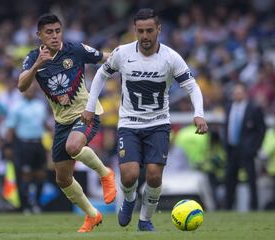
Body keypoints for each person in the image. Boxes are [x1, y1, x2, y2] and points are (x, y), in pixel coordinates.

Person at [81, 8, 208, 231]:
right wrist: (90, 106)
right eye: (141, 31)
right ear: (134, 30)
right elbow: (101, 74)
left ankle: (145, 220)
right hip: (129, 123)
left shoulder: (170, 57)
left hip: (158, 124)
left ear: (158, 29)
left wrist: (199, 113)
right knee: (129, 176)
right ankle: (129, 201)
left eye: (150, 30)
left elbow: (191, 86)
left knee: (154, 175)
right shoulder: (122, 53)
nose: (145, 36)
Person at [18, 14, 116, 232]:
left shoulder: (75, 49)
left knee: (73, 147)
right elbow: (22, 86)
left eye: (57, 31)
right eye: (49, 32)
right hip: (62, 123)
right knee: (62, 178)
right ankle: (92, 215)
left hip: (86, 114)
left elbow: (106, 57)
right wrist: (36, 66)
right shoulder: (34, 57)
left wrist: (129, 56)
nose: (54, 36)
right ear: (39, 35)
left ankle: (105, 173)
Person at [5, 82, 49, 214]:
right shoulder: (16, 107)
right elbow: (10, 129)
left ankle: (36, 203)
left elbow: (44, 124)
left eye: (32, 89)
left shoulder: (40, 105)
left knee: (41, 174)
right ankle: (25, 206)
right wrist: (8, 146)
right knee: (26, 176)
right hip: (24, 144)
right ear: (23, 90)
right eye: (28, 88)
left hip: (39, 143)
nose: (30, 91)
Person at [224, 82, 266, 210]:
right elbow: (226, 127)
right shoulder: (229, 107)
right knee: (230, 180)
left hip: (247, 150)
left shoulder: (254, 108)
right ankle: (228, 207)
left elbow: (261, 129)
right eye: (235, 93)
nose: (237, 95)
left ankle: (254, 206)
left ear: (245, 93)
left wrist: (254, 148)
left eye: (239, 92)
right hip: (232, 149)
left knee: (251, 180)